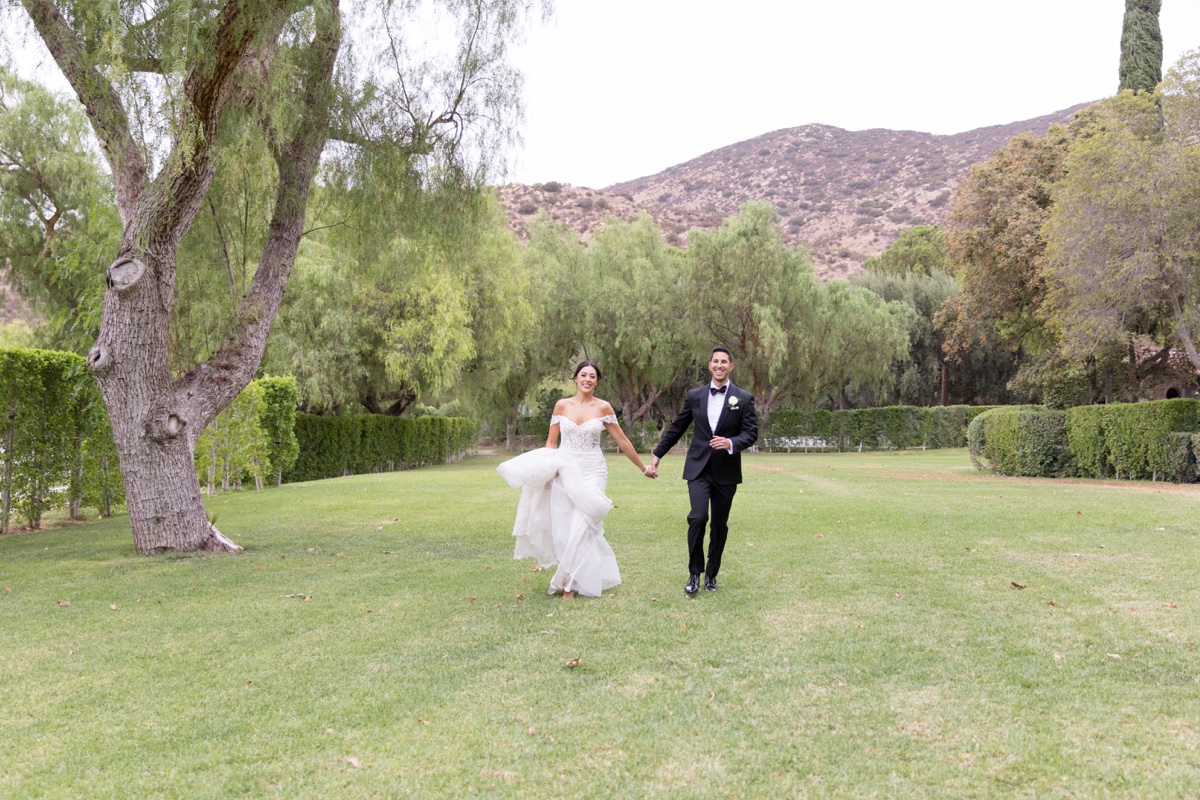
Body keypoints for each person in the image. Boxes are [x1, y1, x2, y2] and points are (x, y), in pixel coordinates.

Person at [497, 361, 654, 599]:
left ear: (597, 381)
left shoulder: (603, 408)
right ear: (576, 378)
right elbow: (551, 442)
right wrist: (549, 470)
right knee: (566, 529)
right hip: (565, 470)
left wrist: (643, 468)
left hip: (594, 471)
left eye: (592, 376)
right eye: (583, 375)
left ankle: (567, 585)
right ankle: (574, 575)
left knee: (583, 526)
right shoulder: (561, 406)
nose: (588, 379)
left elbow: (622, 441)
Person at [646, 347, 758, 595]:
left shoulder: (743, 398)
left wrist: (730, 443)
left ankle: (711, 574)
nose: (719, 365)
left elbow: (751, 433)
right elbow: (677, 427)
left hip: (726, 472)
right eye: (715, 361)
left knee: (719, 525)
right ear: (710, 365)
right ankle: (694, 574)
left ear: (731, 366)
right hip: (698, 468)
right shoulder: (695, 396)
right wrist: (657, 455)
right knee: (697, 518)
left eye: (724, 362)